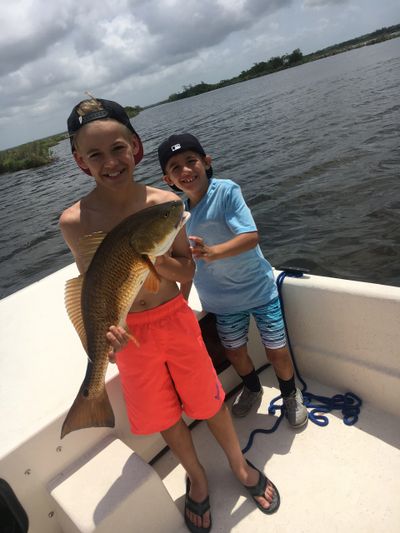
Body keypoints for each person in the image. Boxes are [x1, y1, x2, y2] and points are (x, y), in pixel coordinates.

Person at [59, 97, 280, 533]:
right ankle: (197, 477)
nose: (110, 162)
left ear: (136, 147)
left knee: (209, 400)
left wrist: (147, 259)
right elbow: (93, 288)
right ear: (80, 162)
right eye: (96, 155)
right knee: (162, 416)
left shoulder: (165, 203)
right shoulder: (74, 221)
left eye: (118, 148)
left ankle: (238, 464)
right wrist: (105, 341)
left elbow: (185, 272)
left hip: (173, 319)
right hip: (127, 334)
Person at [157, 133, 308, 428]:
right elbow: (187, 266)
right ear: (168, 180)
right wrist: (181, 302)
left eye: (191, 161)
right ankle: (253, 388)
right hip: (221, 302)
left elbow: (251, 237)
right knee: (234, 352)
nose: (186, 170)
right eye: (176, 167)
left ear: (207, 162)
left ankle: (291, 394)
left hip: (260, 290)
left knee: (276, 352)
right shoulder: (179, 216)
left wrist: (213, 252)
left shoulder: (226, 190)